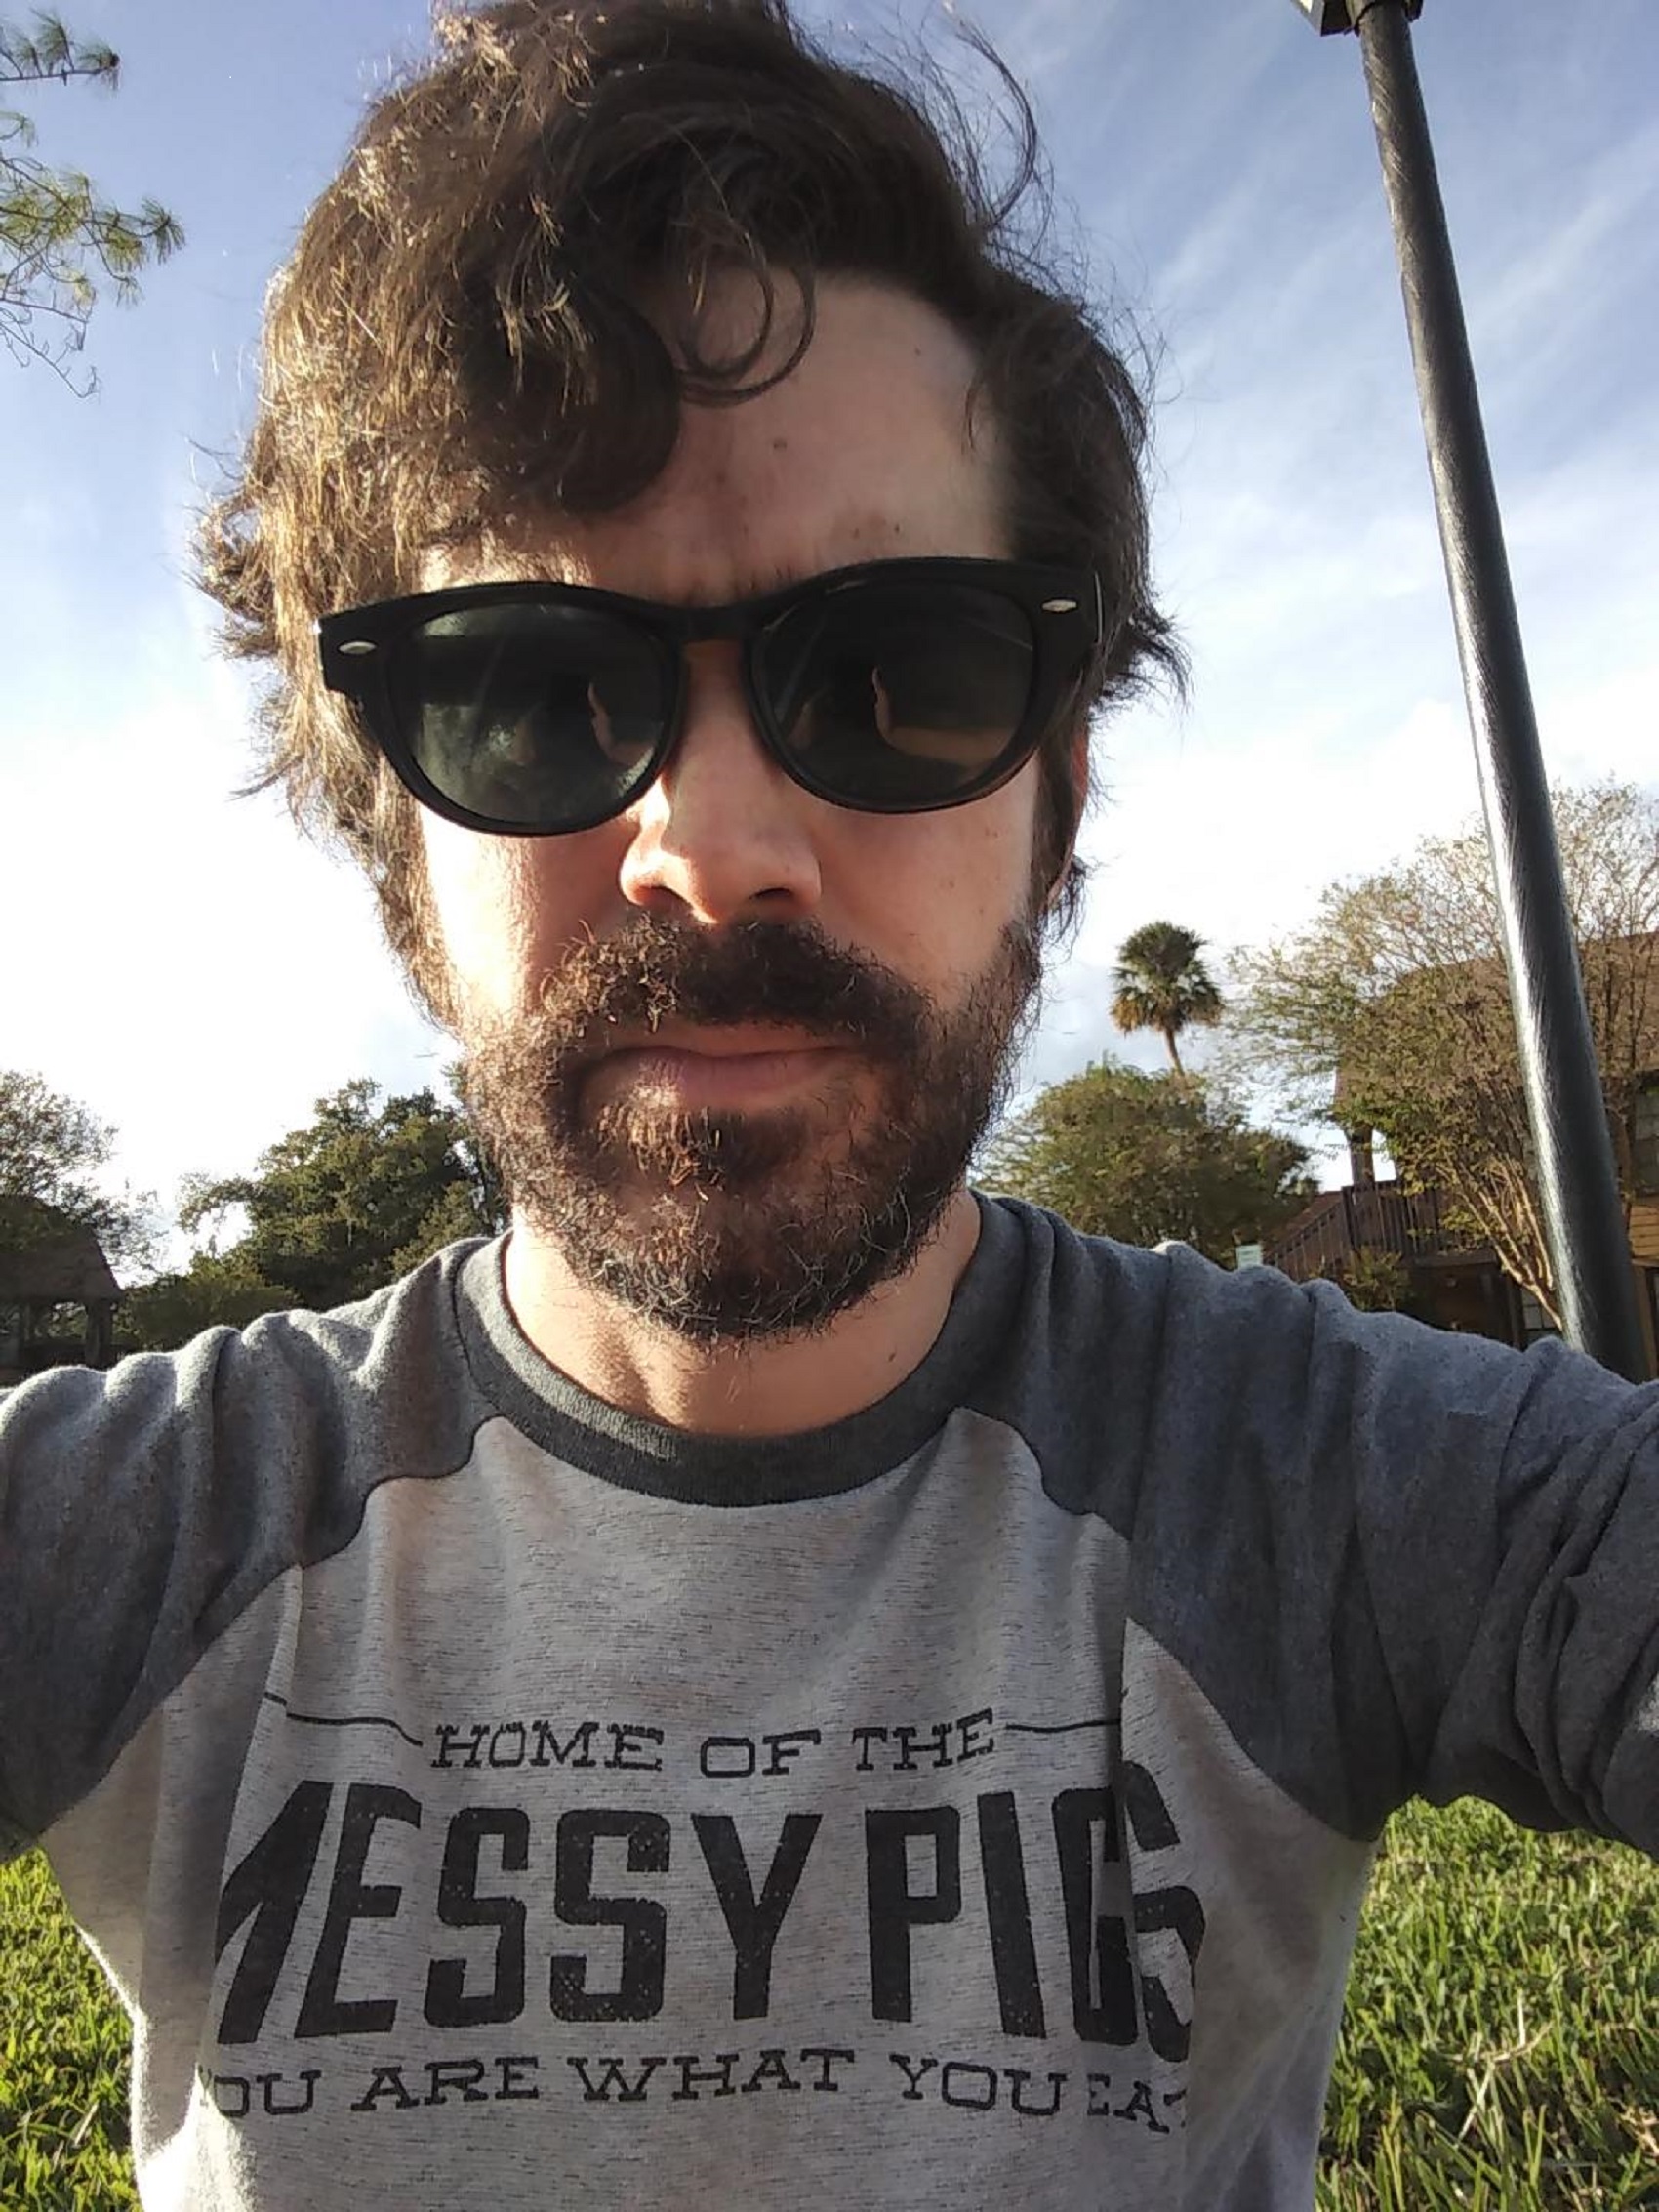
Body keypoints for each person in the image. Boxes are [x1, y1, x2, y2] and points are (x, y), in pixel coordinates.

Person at [2, 3, 1655, 2207]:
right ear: (391, 830)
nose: (716, 848)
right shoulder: (134, 1531)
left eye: (897, 674)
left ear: (1059, 795)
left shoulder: (1325, 1479)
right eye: (531, 692)